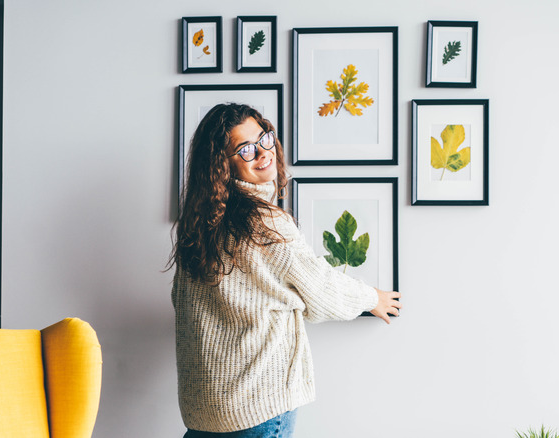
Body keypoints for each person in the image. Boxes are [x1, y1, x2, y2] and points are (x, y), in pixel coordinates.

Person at [170, 103, 402, 437]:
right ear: (223, 165)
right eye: (245, 150)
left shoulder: (197, 227)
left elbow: (180, 301)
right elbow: (320, 290)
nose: (262, 153)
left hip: (202, 411)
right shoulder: (266, 222)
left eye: (264, 138)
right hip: (257, 406)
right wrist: (372, 298)